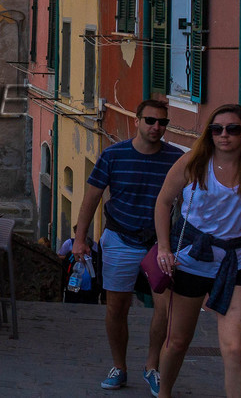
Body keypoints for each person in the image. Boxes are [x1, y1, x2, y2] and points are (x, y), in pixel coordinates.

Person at [153, 104, 241, 398]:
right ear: (210, 133)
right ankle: (164, 394)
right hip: (190, 260)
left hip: (237, 264)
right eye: (217, 129)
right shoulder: (193, 164)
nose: (224, 135)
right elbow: (163, 202)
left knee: (236, 348)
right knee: (177, 341)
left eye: (232, 129)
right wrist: (163, 247)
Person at [71, 97, 184, 393]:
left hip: (159, 245)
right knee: (116, 308)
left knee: (166, 308)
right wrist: (80, 239)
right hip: (120, 239)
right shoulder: (113, 155)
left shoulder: (176, 159)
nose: (156, 127)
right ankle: (119, 367)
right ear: (137, 121)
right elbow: (91, 198)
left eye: (162, 122)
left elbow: (188, 201)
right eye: (150, 120)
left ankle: (152, 366)